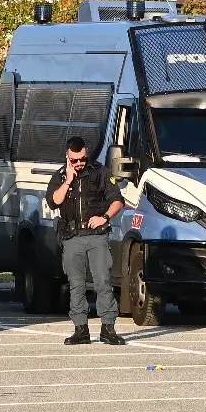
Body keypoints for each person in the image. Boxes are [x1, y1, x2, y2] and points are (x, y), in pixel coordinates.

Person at [46, 136, 127, 346]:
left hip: (97, 237)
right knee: (76, 285)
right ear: (67, 157)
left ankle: (108, 328)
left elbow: (118, 201)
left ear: (87, 153)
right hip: (73, 238)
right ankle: (80, 329)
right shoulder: (61, 176)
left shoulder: (100, 172)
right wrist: (68, 180)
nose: (79, 163)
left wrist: (105, 217)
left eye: (82, 159)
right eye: (74, 160)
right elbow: (54, 201)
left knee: (103, 282)